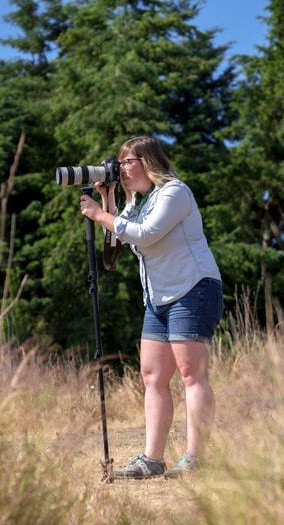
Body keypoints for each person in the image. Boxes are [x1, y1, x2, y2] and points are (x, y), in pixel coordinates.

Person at [79, 135, 223, 479]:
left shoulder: (175, 192)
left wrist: (100, 215)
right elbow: (118, 238)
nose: (121, 168)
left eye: (127, 162)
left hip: (193, 289)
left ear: (149, 162)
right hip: (157, 297)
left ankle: (194, 457)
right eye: (120, 162)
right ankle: (152, 459)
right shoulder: (136, 201)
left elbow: (145, 234)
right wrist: (107, 198)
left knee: (191, 374)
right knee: (153, 376)